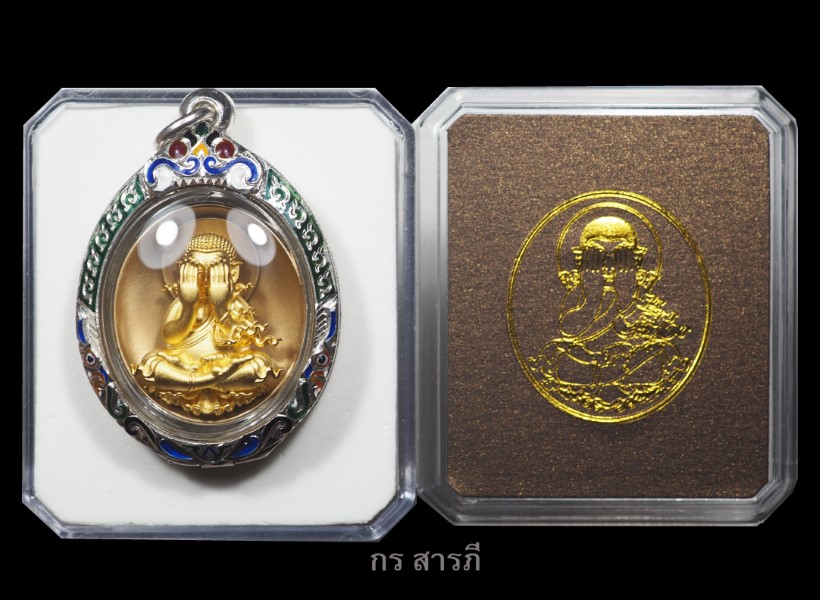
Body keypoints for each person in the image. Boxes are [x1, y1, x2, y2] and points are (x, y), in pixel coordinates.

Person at [529, 216, 689, 413]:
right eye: (597, 257)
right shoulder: (579, 292)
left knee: (663, 350)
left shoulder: (640, 293)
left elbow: (652, 329)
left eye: (620, 257)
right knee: (557, 350)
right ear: (582, 261)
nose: (608, 267)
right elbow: (569, 332)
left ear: (635, 260)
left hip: (630, 362)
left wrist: (626, 299)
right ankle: (605, 376)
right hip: (586, 361)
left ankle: (608, 377)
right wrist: (591, 299)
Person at [135, 233, 280, 416]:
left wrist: (220, 306)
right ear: (184, 273)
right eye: (197, 273)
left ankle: (193, 382)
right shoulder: (181, 304)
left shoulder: (234, 304)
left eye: (214, 273)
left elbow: (242, 342)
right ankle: (209, 381)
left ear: (232, 273)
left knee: (259, 365)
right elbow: (171, 337)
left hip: (227, 364)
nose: (205, 281)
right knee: (152, 362)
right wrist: (188, 306)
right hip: (186, 365)